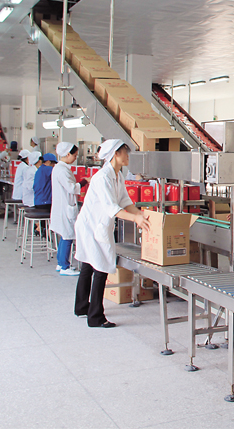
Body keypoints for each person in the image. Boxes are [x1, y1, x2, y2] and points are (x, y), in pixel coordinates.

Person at [74, 140, 150, 328]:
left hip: (97, 225)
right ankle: (95, 317)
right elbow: (112, 208)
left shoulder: (117, 175)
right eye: (125, 152)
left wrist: (141, 214)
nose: (127, 156)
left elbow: (125, 201)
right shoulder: (102, 178)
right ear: (115, 154)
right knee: (100, 268)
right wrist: (135, 219)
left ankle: (82, 307)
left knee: (88, 265)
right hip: (92, 227)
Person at [51, 142, 89, 276]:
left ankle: (61, 263)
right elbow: (71, 188)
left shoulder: (60, 168)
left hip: (63, 206)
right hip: (65, 208)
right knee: (67, 236)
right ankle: (64, 266)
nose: (75, 158)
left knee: (65, 235)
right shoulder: (62, 170)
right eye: (75, 155)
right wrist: (85, 181)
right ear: (68, 154)